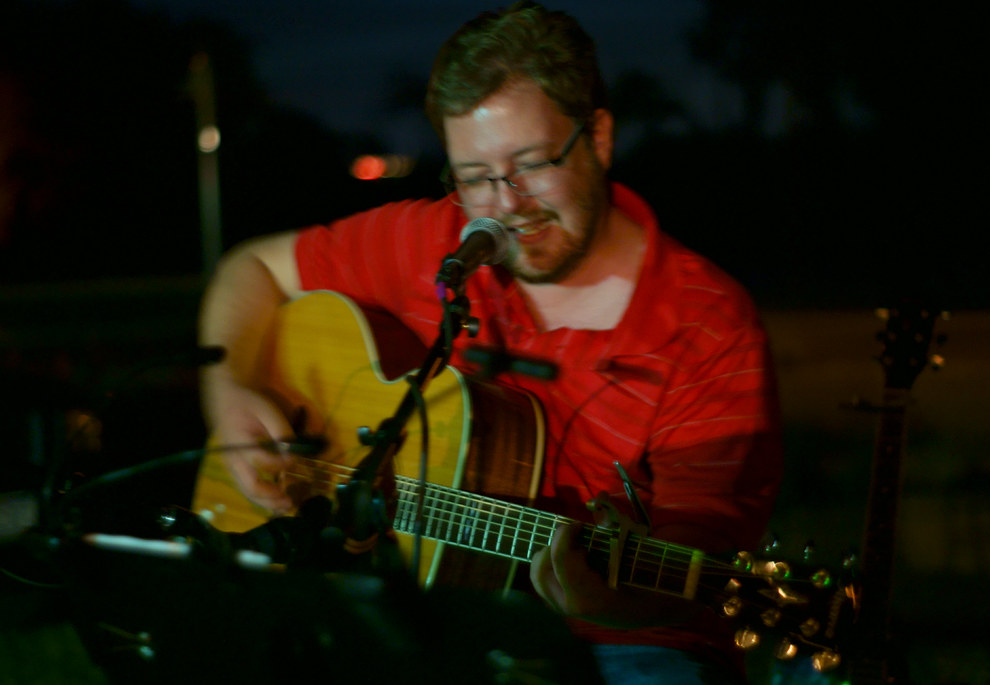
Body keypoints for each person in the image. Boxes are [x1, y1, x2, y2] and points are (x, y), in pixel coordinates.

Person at [198, 2, 783, 682]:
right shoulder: (433, 243)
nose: (505, 205)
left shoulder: (709, 325)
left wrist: (612, 601)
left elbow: (700, 567)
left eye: (531, 164)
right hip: (417, 617)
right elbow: (252, 267)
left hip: (626, 644)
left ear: (597, 138)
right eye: (474, 177)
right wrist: (228, 388)